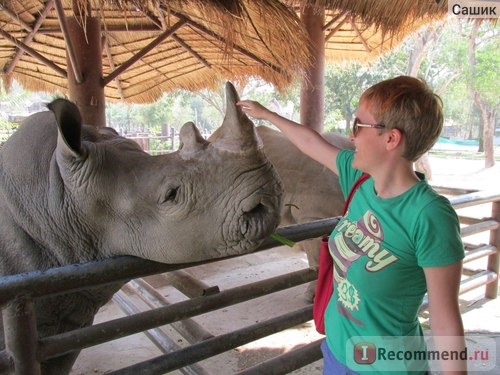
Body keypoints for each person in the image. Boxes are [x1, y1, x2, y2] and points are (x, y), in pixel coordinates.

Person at [237, 76, 466, 374]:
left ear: (391, 139)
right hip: (337, 352)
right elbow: (309, 142)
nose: (351, 134)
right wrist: (265, 114)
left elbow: (445, 318)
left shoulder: (429, 215)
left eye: (359, 125)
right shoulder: (358, 180)